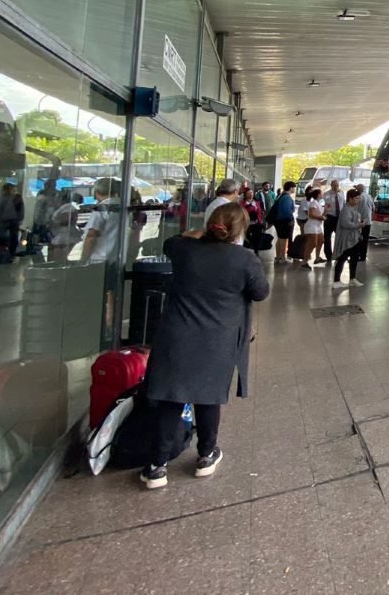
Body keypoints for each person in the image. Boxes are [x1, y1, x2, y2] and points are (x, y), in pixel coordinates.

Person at [140, 202, 269, 489]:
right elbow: (260, 292)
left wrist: (195, 234)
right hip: (217, 340)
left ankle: (157, 466)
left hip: (177, 336)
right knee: (209, 397)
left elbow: (170, 243)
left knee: (171, 398)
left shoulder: (184, 250)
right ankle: (206, 455)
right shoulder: (244, 259)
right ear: (240, 231)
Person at [81, 178, 123, 264]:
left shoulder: (102, 208)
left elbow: (91, 236)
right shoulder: (123, 206)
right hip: (117, 258)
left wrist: (83, 259)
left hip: (99, 260)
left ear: (95, 191)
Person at [332, 189, 365, 288]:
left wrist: (359, 229)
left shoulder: (353, 208)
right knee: (342, 258)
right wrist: (359, 225)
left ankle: (352, 279)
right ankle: (336, 281)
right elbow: (345, 224)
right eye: (356, 198)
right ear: (350, 198)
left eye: (359, 198)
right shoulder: (346, 209)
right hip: (347, 240)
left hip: (354, 239)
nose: (358, 200)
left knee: (354, 259)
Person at [268, 181, 297, 265]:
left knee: (280, 238)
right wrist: (291, 220)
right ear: (290, 188)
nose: (294, 190)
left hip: (278, 220)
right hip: (284, 221)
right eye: (294, 188)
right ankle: (282, 257)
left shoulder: (281, 196)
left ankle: (278, 257)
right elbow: (287, 211)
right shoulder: (287, 197)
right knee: (284, 239)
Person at [299, 188, 326, 270]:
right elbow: (311, 215)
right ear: (318, 195)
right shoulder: (313, 203)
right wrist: (321, 217)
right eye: (321, 193)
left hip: (317, 226)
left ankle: (317, 258)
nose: (323, 194)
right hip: (311, 226)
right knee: (312, 244)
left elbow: (321, 215)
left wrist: (326, 210)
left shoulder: (318, 203)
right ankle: (304, 262)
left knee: (321, 240)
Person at [322, 180, 343, 263]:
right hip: (329, 217)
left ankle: (338, 254)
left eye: (337, 185)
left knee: (339, 237)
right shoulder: (327, 194)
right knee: (327, 237)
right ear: (331, 185)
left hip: (339, 218)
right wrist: (334, 194)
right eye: (334, 185)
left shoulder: (341, 193)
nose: (336, 187)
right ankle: (328, 255)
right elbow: (328, 202)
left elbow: (343, 203)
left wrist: (338, 194)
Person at [355, 183, 374, 262]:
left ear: (358, 190)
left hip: (360, 221)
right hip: (368, 221)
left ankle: (358, 255)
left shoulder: (358, 197)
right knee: (365, 239)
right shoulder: (369, 196)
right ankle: (363, 256)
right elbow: (373, 208)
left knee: (358, 239)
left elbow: (355, 209)